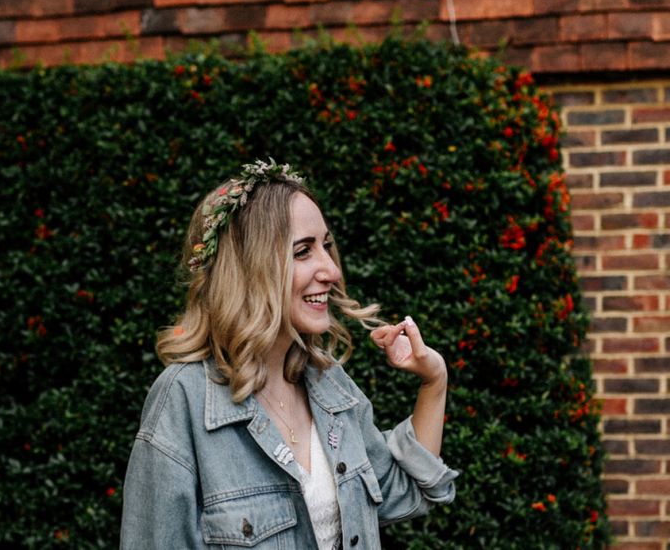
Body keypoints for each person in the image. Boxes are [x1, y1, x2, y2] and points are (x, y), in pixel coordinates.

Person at [120, 159, 457, 549]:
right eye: (303, 252)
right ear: (250, 268)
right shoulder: (185, 401)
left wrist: (435, 380)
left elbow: (405, 491)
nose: (330, 269)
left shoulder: (329, 385)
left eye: (326, 247)